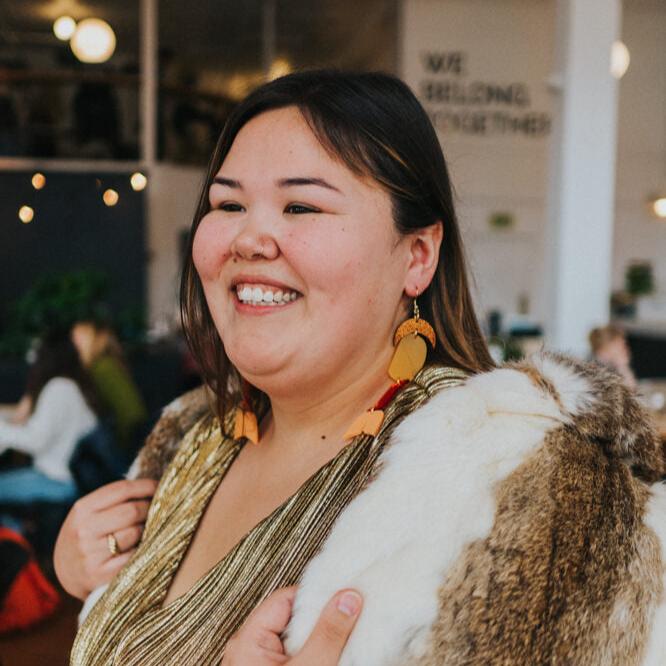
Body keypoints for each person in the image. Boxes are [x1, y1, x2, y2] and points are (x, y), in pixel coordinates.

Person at [61, 71, 665, 665]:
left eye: (301, 205)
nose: (249, 236)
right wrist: (88, 580)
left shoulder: (525, 484)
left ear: (417, 256)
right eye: (228, 203)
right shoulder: (190, 438)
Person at [0, 332, 98, 516]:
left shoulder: (59, 387)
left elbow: (36, 440)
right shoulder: (69, 387)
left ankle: (15, 534)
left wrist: (2, 429)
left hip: (56, 482)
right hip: (63, 478)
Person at [70, 320, 148, 457]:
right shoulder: (106, 363)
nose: (75, 343)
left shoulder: (101, 368)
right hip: (134, 430)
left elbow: (127, 410)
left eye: (79, 338)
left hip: (128, 435)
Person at [589, 323, 638, 390]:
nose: (625, 349)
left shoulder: (609, 365)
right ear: (603, 351)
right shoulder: (594, 372)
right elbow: (631, 392)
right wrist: (622, 366)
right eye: (620, 347)